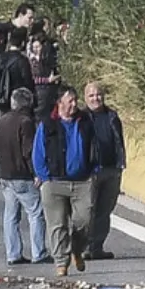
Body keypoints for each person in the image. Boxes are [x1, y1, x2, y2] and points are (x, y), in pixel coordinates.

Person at [32, 86, 99, 276]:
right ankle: (61, 261)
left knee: (85, 221)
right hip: (54, 182)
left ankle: (77, 249)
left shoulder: (85, 121)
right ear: (59, 103)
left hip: (82, 181)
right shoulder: (48, 124)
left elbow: (95, 147)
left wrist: (94, 170)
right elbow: (38, 153)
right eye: (70, 101)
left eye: (75, 100)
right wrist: (45, 177)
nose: (74, 104)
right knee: (57, 225)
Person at [0, 88, 47, 265]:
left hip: (5, 174)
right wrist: (36, 173)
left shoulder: (0, 121)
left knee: (10, 215)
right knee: (36, 212)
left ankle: (13, 253)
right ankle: (39, 252)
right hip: (22, 175)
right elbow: (28, 151)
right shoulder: (26, 122)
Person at [82, 81, 126, 260]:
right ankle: (84, 247)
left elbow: (119, 141)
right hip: (90, 171)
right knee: (87, 210)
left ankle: (97, 247)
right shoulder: (81, 118)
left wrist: (120, 164)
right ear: (85, 98)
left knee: (104, 211)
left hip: (111, 169)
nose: (96, 99)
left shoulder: (112, 116)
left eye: (98, 94)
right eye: (91, 95)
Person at [0, 24, 33, 124]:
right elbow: (28, 82)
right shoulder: (22, 60)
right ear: (23, 43)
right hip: (17, 101)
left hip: (1, 100)